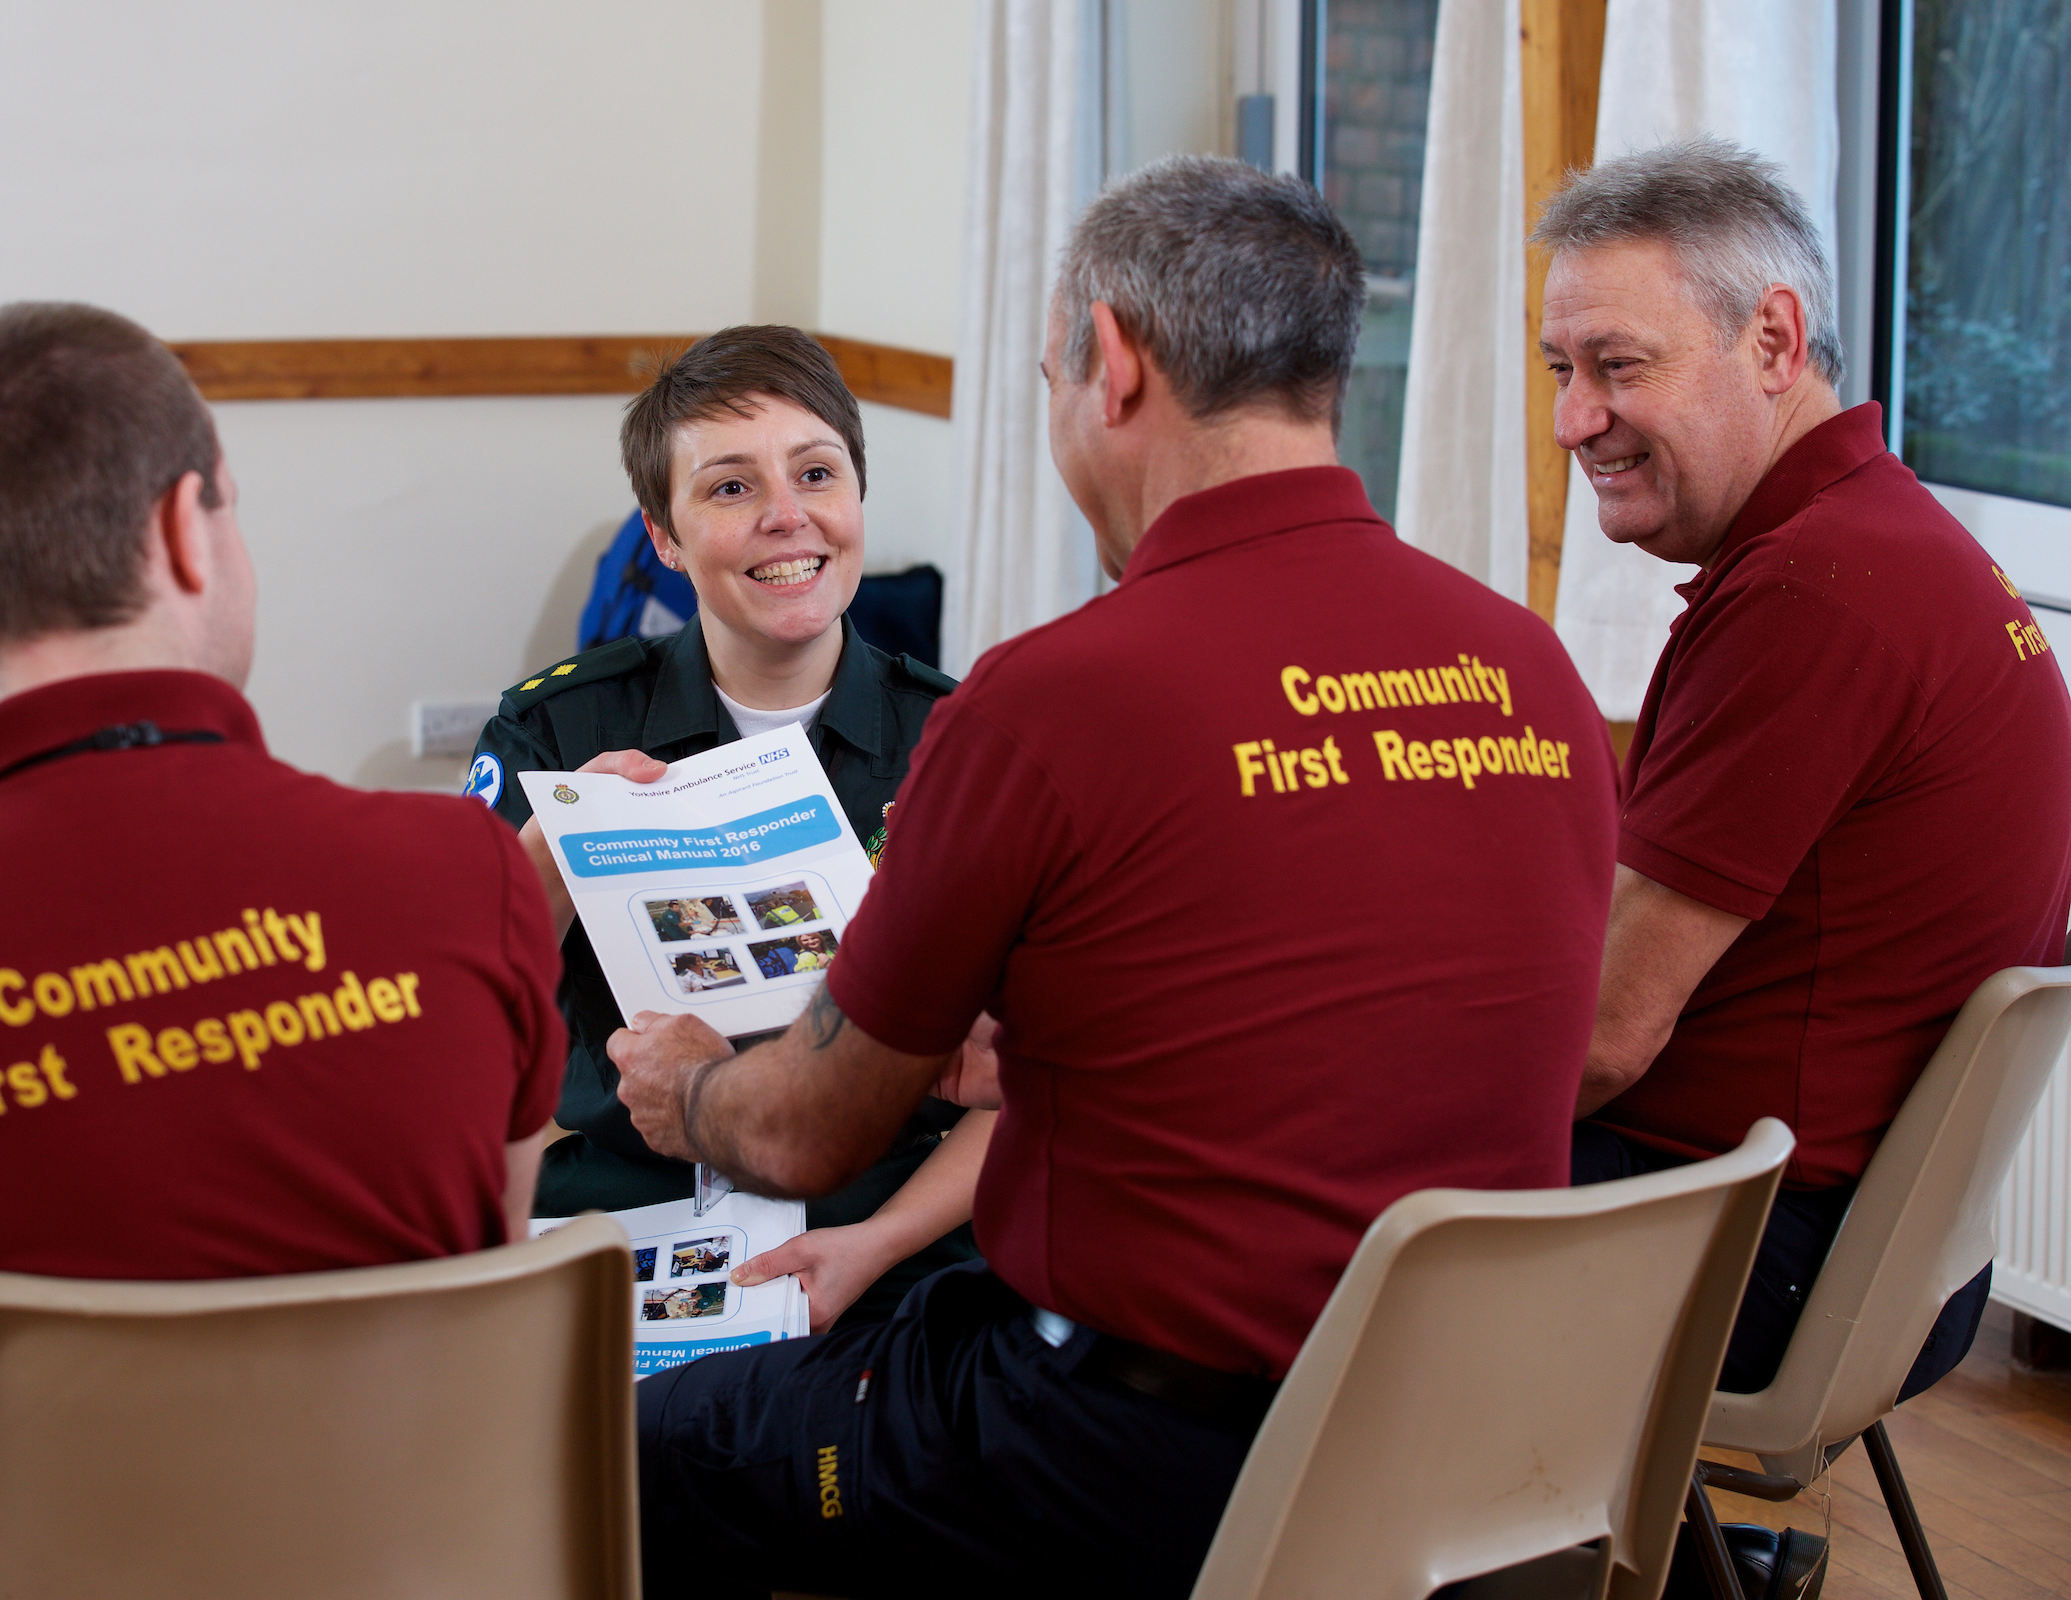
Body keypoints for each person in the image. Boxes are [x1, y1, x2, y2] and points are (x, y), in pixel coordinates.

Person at [608, 156, 1621, 1600]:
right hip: (1474, 1446)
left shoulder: (1048, 699)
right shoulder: (1529, 666)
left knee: (643, 1441)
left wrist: (696, 1081)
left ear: (1111, 362)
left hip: (1129, 1457)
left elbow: (808, 1136)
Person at [0, 302, 565, 1600]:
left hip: (35, 1565)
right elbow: (489, 1241)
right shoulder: (469, 870)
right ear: (180, 531)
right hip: (410, 1555)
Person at [1537, 139, 2071, 1404]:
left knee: (1248, 1187)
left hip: (1760, 1254)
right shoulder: (1890, 538)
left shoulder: (1812, 591)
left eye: (1617, 366)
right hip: (1884, 1254)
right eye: (1562, 369)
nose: (1572, 419)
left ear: (1774, 342)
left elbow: (1604, 1041)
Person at [468, 325, 994, 1333]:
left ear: (857, 499)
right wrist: (549, 861)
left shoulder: (963, 740)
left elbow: (1023, 1085)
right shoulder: (560, 727)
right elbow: (463, 1014)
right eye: (729, 488)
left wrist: (874, 1242)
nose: (786, 517)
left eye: (815, 473)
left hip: (890, 1214)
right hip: (628, 1205)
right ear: (661, 536)